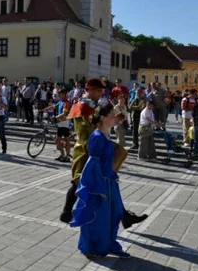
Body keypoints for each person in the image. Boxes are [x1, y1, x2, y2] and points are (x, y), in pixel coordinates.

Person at [60, 78, 147, 229]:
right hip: (86, 151)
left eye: (102, 91)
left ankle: (124, 216)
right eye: (99, 91)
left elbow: (100, 124)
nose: (101, 94)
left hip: (96, 147)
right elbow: (85, 132)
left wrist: (114, 119)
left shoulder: (93, 106)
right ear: (90, 90)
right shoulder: (81, 106)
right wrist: (101, 143)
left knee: (106, 181)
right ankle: (67, 212)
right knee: (78, 183)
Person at [69, 103, 130, 258]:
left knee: (114, 213)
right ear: (103, 117)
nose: (114, 118)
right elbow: (92, 164)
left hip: (109, 181)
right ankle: (94, 246)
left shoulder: (106, 134)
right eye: (112, 115)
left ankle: (110, 243)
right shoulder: (96, 137)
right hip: (99, 183)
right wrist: (97, 185)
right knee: (98, 215)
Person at [41, 89, 72, 161]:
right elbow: (53, 106)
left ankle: (65, 156)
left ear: (64, 94)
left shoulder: (66, 103)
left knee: (61, 140)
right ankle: (63, 155)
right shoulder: (61, 102)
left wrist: (55, 117)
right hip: (60, 123)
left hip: (65, 123)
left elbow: (64, 114)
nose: (58, 95)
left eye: (60, 94)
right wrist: (43, 110)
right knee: (61, 140)